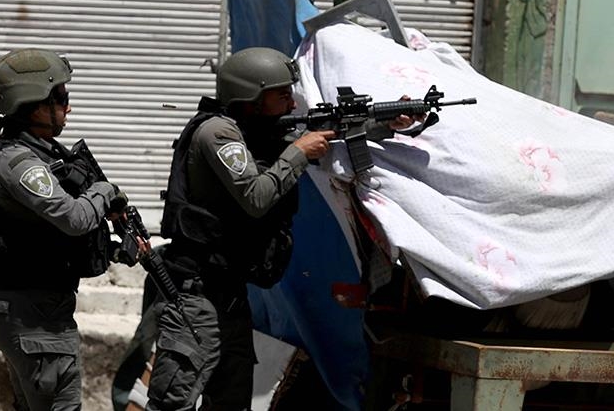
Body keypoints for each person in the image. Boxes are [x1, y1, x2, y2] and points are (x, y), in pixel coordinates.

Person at [146, 46, 424, 411]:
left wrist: (386, 122)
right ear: (251, 98)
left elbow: (327, 139)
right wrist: (299, 152)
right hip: (196, 298)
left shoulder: (254, 132)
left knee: (232, 402)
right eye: (282, 95)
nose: (292, 104)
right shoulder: (217, 133)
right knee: (173, 403)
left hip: (229, 296)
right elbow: (257, 196)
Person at [0, 48, 137, 410]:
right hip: (32, 315)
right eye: (61, 98)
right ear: (33, 106)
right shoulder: (19, 161)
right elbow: (73, 219)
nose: (68, 107)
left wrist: (112, 249)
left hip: (29, 308)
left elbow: (44, 235)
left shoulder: (29, 149)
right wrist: (104, 191)